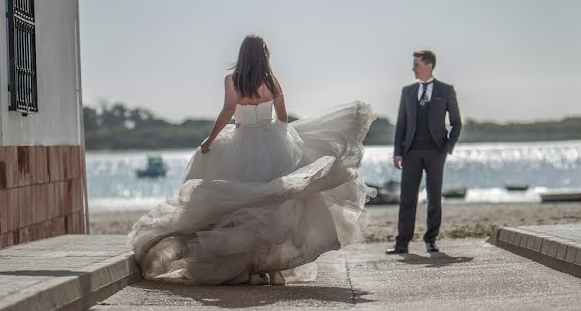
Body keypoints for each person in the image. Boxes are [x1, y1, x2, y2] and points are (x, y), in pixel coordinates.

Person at [128, 34, 376, 285]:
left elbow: (227, 111)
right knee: (272, 207)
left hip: (240, 143)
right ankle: (271, 269)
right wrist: (284, 141)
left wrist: (210, 141)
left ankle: (249, 269)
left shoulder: (233, 80)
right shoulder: (272, 81)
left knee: (239, 209)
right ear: (264, 55)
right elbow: (282, 117)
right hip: (272, 143)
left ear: (242, 54)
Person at [387, 50, 462, 254]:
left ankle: (431, 240)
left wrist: (447, 147)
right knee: (407, 198)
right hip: (411, 152)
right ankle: (402, 243)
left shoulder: (446, 90)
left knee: (434, 196)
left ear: (428, 65)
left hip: (436, 152)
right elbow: (401, 124)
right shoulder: (407, 91)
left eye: (416, 64)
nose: (413, 68)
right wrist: (398, 151)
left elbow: (456, 123)